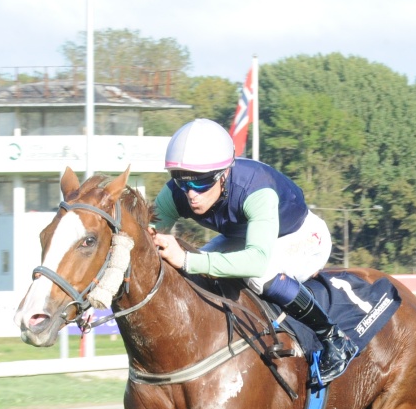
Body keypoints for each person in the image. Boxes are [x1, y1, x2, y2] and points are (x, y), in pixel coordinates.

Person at [149, 118, 357, 383]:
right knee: (198, 268)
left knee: (256, 275)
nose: (191, 194)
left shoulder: (256, 189)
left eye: (201, 183)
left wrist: (187, 259)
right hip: (246, 236)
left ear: (223, 174)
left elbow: (257, 261)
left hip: (302, 236)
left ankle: (334, 339)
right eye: (182, 182)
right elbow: (148, 242)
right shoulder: (174, 193)